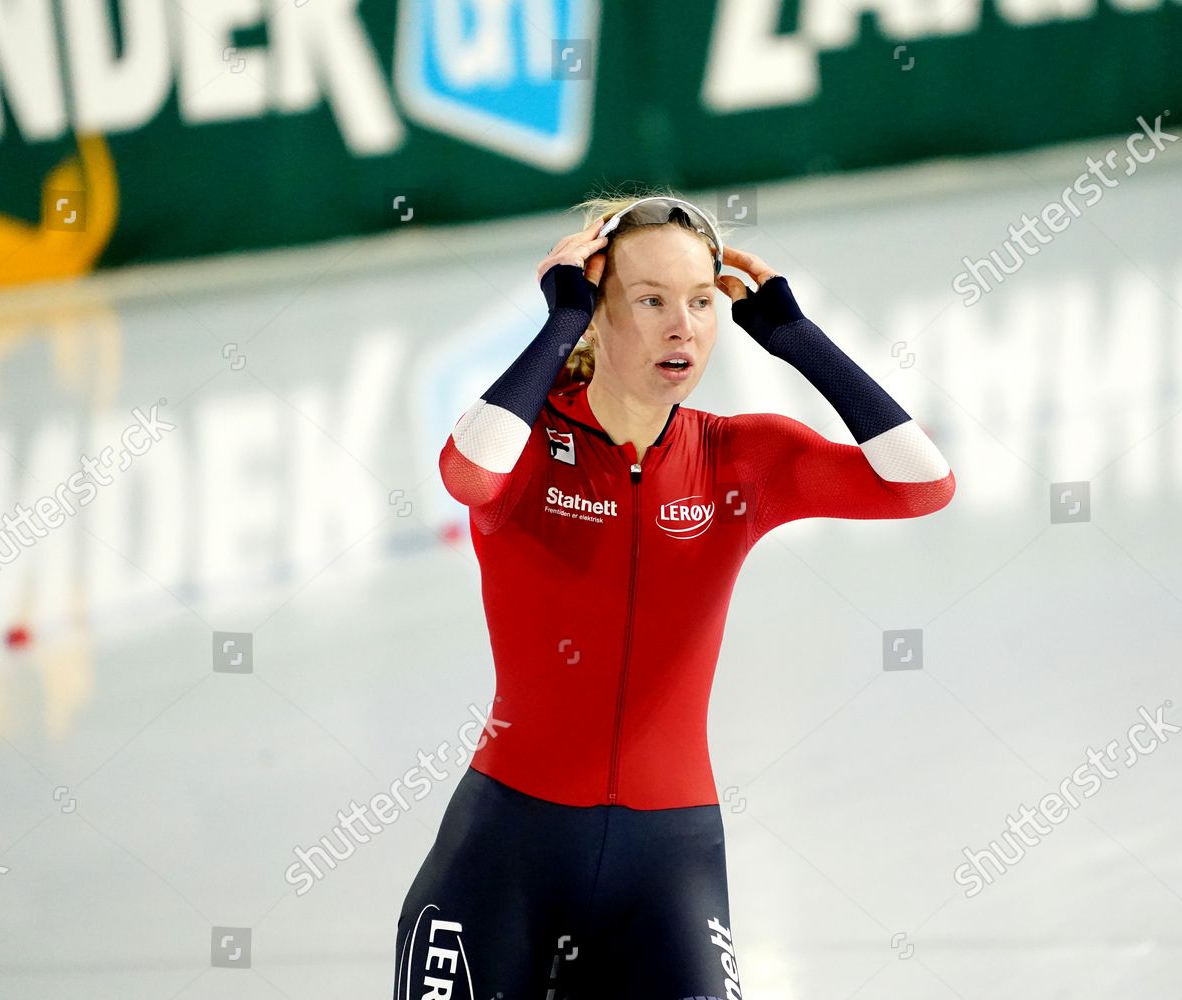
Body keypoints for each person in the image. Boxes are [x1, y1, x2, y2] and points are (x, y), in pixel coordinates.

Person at [394, 192, 956, 999]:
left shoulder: (742, 458)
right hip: (507, 851)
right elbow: (469, 473)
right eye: (649, 301)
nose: (681, 327)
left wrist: (798, 340)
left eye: (699, 302)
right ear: (596, 309)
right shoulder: (527, 445)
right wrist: (557, 326)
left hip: (669, 861)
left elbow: (922, 486)